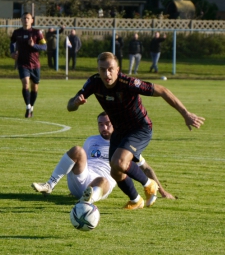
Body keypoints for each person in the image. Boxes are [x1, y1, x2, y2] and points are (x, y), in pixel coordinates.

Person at [67, 52, 205, 210]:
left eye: (110, 69)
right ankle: (135, 199)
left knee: (119, 161)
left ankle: (149, 185)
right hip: (120, 131)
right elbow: (70, 106)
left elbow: (162, 90)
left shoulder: (128, 83)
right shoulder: (94, 83)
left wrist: (185, 113)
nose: (107, 73)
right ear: (98, 70)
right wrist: (76, 103)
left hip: (140, 128)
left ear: (117, 69)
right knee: (115, 171)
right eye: (102, 69)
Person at [31, 112, 175, 203]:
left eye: (107, 124)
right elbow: (77, 163)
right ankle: (50, 185)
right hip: (82, 179)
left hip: (100, 186)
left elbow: (146, 168)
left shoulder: (125, 146)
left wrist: (162, 191)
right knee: (77, 150)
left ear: (114, 124)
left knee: (104, 180)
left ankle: (87, 201)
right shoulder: (91, 140)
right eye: (101, 124)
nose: (104, 128)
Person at [10, 12, 47, 118]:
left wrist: (33, 45)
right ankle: (27, 107)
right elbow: (12, 42)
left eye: (28, 18)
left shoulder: (37, 33)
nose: (26, 20)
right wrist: (12, 52)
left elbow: (44, 47)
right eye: (24, 18)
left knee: (34, 88)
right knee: (25, 83)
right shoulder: (17, 32)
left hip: (35, 64)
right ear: (21, 20)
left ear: (32, 20)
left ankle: (31, 107)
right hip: (23, 63)